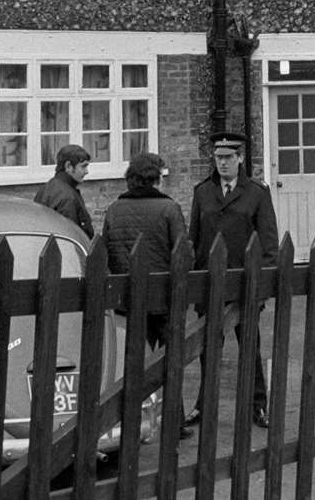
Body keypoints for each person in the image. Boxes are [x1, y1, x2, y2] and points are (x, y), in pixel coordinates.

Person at [185, 130, 279, 429]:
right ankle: (204, 406)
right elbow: (194, 239)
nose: (222, 163)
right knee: (208, 348)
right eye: (218, 158)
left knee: (250, 347)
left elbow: (269, 242)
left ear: (240, 158)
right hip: (210, 284)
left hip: (244, 286)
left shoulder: (257, 193)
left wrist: (262, 288)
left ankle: (258, 406)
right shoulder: (202, 192)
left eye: (228, 158)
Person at [101, 151, 186, 351]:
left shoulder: (114, 209)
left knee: (133, 358)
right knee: (169, 360)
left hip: (127, 297)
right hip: (163, 296)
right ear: (155, 180)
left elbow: (105, 253)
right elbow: (183, 252)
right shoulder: (169, 208)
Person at [32, 143, 94, 239]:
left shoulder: (46, 189)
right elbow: (71, 237)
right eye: (83, 166)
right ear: (68, 166)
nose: (86, 171)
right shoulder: (67, 197)